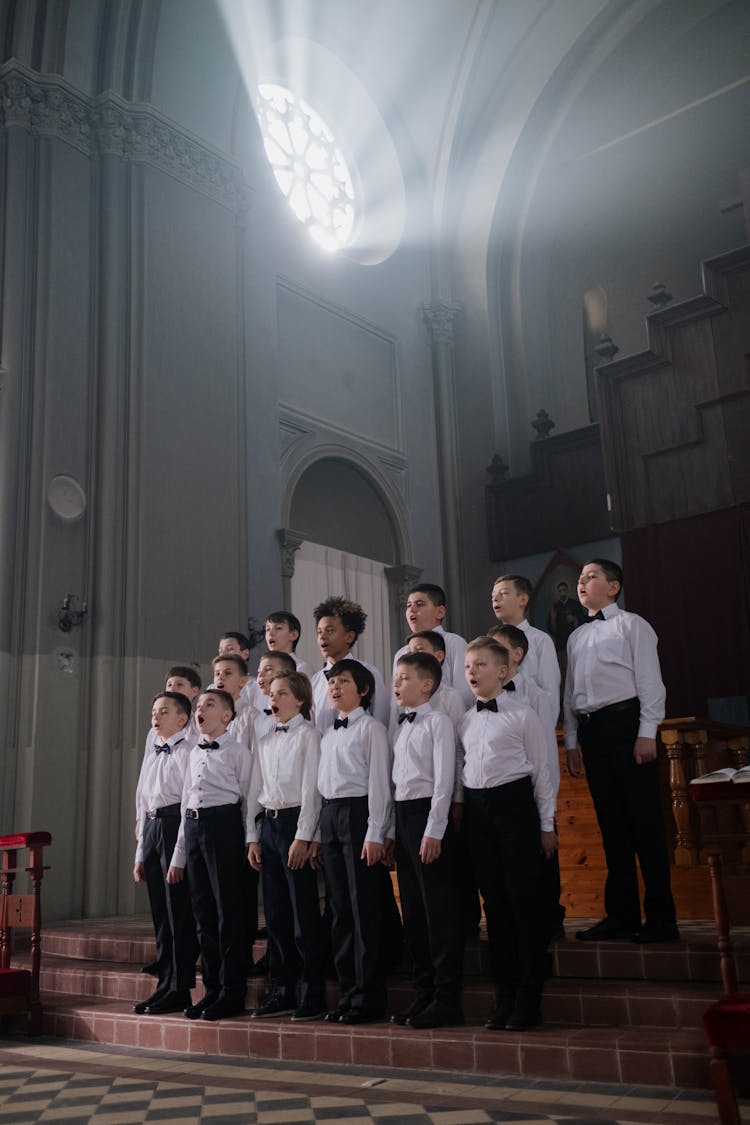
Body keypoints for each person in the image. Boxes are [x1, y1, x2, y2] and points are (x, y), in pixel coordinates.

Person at [564, 559, 679, 944]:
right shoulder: (576, 637)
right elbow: (571, 694)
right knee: (612, 828)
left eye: (591, 576)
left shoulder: (633, 625)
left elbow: (650, 682)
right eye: (580, 578)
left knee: (645, 825)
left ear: (613, 587)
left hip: (627, 725)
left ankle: (662, 919)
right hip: (593, 732)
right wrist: (572, 740)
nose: (582, 583)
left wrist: (647, 732)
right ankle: (622, 915)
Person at [460, 637, 556, 1031]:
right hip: (479, 813)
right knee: (494, 907)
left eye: (480, 665)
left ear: (502, 671)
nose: (472, 673)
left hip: (515, 808)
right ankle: (504, 995)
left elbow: (543, 773)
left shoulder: (523, 715)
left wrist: (547, 826)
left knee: (522, 905)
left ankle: (529, 998)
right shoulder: (465, 719)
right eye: (468, 667)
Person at [168, 687, 253, 1021]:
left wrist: (250, 840)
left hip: (225, 827)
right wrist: (178, 856)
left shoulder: (238, 752)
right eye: (198, 704)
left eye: (210, 704)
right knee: (202, 914)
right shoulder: (193, 752)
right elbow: (187, 800)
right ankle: (212, 989)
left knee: (227, 913)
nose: (201, 709)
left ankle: (232, 992)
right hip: (194, 827)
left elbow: (248, 799)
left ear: (227, 715)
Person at [247, 671, 327, 1021]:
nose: (273, 699)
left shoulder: (310, 736)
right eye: (271, 694)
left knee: (303, 917)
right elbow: (254, 789)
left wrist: (304, 836)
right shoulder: (264, 740)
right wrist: (252, 835)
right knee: (277, 915)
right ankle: (282, 990)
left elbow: (312, 790)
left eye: (282, 694)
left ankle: (313, 992)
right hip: (270, 824)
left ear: (300, 700)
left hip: (296, 823)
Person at [390, 652, 464, 1028]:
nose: (397, 684)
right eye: (396, 678)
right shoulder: (401, 725)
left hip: (427, 818)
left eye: (404, 678)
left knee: (437, 910)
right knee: (415, 912)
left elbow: (443, 780)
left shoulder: (438, 722)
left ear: (427, 684)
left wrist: (435, 829)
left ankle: (447, 997)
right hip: (403, 817)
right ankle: (424, 992)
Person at [318, 659, 393, 1023]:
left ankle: (369, 994)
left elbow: (379, 783)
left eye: (343, 681)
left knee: (363, 908)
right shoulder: (329, 733)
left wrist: (376, 831)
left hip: (359, 814)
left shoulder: (372, 729)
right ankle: (349, 990)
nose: (334, 688)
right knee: (340, 910)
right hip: (330, 816)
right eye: (332, 682)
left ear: (362, 690)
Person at [489, 623, 565, 937]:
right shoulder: (485, 695)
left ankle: (549, 922)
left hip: (533, 790)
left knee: (542, 861)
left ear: (517, 655)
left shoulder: (536, 696)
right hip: (500, 795)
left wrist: (545, 808)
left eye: (497, 650)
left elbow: (544, 752)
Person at [133, 691, 199, 1014]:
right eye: (153, 712)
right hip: (152, 828)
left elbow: (188, 805)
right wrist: (139, 853)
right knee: (160, 914)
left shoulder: (189, 751)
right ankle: (164, 983)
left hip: (175, 827)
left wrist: (179, 855)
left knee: (179, 914)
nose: (155, 717)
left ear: (182, 718)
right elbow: (143, 802)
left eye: (163, 711)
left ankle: (181, 987)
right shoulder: (153, 752)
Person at [311, 597, 390, 728]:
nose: (322, 637)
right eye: (319, 632)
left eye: (329, 630)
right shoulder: (315, 681)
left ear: (349, 636)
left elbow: (381, 718)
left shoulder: (369, 672)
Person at [392, 584, 473, 707]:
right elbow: (396, 700)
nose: (411, 610)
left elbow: (465, 693)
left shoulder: (454, 643)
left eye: (419, 604)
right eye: (408, 605)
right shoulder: (401, 653)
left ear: (440, 612)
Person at [491, 575, 560, 708]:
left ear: (523, 599)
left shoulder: (540, 640)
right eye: (493, 595)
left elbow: (550, 694)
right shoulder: (489, 643)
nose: (495, 598)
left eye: (503, 593)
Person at [252, 650, 298, 743]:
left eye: (268, 669)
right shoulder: (259, 720)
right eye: (259, 671)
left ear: (286, 673)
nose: (260, 675)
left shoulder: (297, 717)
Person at [264, 611, 316, 681]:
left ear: (293, 635)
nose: (271, 633)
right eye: (268, 629)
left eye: (278, 628)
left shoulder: (301, 667)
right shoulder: (263, 668)